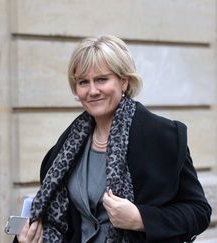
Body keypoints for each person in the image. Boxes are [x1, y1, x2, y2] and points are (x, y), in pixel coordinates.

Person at [16, 35, 211, 243]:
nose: (92, 91)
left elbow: (198, 212)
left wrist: (140, 218)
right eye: (83, 82)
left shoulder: (164, 137)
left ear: (124, 81)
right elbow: (57, 222)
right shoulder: (64, 149)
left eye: (101, 79)